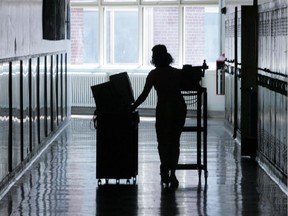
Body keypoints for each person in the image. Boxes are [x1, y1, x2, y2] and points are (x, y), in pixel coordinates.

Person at [131, 44, 187, 187]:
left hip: (164, 109)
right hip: (179, 108)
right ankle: (172, 173)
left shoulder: (154, 74)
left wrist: (132, 106)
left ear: (154, 58)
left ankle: (164, 168)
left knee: (163, 141)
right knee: (175, 141)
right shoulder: (177, 73)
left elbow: (144, 95)